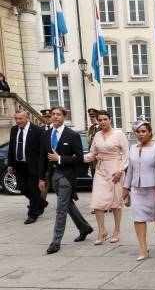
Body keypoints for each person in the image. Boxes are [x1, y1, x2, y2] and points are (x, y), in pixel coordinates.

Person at [39, 107, 93, 254]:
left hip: (66, 176)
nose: (55, 117)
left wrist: (60, 158)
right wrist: (41, 178)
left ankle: (56, 242)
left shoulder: (72, 135)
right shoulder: (46, 134)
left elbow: (80, 158)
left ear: (64, 117)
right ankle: (84, 228)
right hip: (52, 175)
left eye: (58, 114)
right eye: (53, 115)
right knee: (68, 204)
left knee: (61, 208)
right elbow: (43, 158)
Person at [123, 120, 155, 261]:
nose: (140, 134)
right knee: (138, 217)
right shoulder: (133, 148)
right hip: (136, 188)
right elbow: (130, 169)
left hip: (154, 188)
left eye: (143, 131)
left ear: (150, 133)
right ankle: (143, 248)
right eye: (138, 131)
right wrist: (126, 187)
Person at [83, 110, 129, 245]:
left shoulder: (119, 134)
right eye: (100, 120)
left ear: (110, 120)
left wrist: (121, 170)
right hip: (100, 169)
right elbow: (92, 153)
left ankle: (117, 230)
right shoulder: (97, 135)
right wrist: (78, 158)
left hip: (115, 169)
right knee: (97, 202)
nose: (102, 122)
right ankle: (101, 230)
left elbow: (126, 154)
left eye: (105, 119)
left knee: (116, 203)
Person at [7, 110, 45, 223]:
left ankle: (33, 214)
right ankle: (41, 203)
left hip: (33, 165)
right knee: (21, 187)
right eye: (16, 119)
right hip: (19, 165)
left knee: (34, 190)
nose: (18, 121)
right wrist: (10, 164)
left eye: (20, 119)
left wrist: (43, 167)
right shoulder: (14, 130)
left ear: (27, 118)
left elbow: (42, 150)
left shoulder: (37, 130)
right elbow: (11, 148)